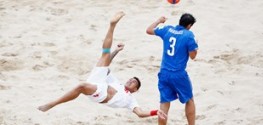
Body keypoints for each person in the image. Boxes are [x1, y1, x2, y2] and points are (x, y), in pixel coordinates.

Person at [38, 11, 167, 120]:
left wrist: (155, 112)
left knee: (81, 86)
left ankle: (52, 104)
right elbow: (107, 64)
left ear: (135, 90)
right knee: (105, 54)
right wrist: (116, 51)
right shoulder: (117, 83)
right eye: (131, 79)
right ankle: (112, 25)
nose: (131, 80)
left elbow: (139, 113)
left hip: (101, 95)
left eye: (134, 82)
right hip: (98, 83)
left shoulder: (131, 99)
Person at [146, 13, 198, 125]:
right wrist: (195, 46)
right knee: (189, 100)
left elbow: (149, 30)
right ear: (189, 25)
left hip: (164, 73)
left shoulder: (167, 30)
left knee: (164, 103)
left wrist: (159, 20)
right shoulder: (189, 35)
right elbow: (193, 56)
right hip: (178, 74)